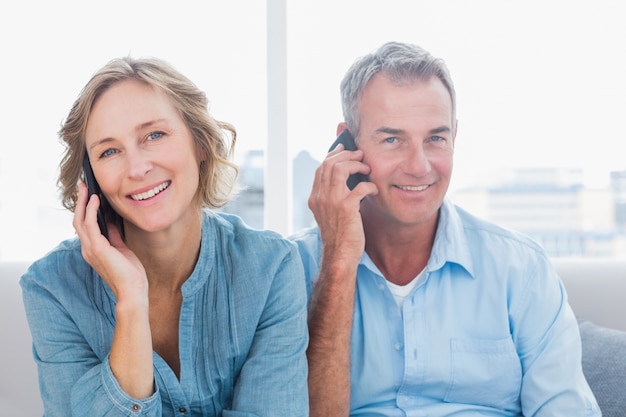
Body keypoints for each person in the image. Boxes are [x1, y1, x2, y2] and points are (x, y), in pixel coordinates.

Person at [290, 41, 601, 416]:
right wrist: (338, 262)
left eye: (435, 138)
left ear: (454, 136)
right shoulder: (292, 270)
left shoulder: (520, 270)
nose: (419, 166)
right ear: (347, 144)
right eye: (392, 139)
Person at [20, 56, 309, 417]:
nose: (138, 168)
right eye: (109, 151)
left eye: (154, 135)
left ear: (200, 143)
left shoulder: (271, 268)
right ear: (91, 179)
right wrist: (130, 301)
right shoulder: (52, 287)